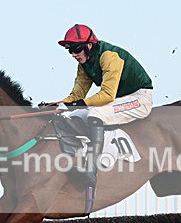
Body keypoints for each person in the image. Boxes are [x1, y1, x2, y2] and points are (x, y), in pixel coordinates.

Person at [42, 24, 154, 205]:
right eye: (70, 50)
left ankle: (91, 169)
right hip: (118, 100)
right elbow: (76, 96)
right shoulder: (84, 64)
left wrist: (80, 104)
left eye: (76, 49)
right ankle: (78, 156)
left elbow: (107, 94)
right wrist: (57, 104)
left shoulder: (109, 57)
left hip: (139, 98)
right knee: (70, 115)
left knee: (94, 113)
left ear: (89, 45)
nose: (73, 54)